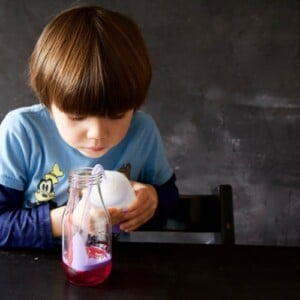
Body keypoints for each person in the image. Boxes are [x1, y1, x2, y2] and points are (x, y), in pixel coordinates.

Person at [0, 5, 179, 249]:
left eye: (116, 115)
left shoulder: (143, 132)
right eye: (75, 116)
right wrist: (69, 220)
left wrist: (153, 200)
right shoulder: (21, 132)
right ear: (48, 103)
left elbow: (170, 198)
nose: (97, 134)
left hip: (107, 269)